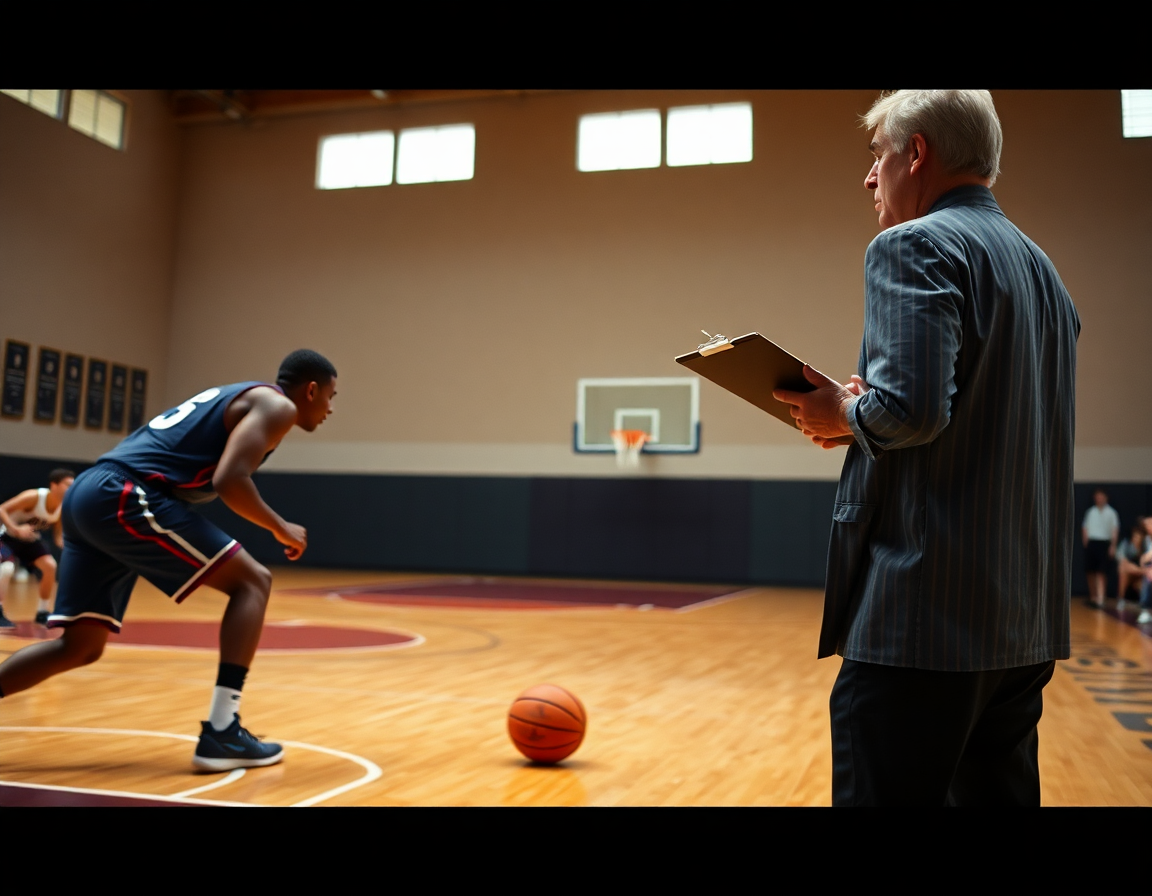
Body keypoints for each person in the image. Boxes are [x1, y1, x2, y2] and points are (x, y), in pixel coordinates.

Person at [773, 90, 1079, 806]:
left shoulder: (914, 244)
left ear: (918, 154)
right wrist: (864, 404)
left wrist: (841, 410)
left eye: (879, 155)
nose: (870, 177)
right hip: (1022, 625)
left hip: (925, 622)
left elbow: (910, 413)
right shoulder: (1045, 275)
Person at [0, 349, 337, 772]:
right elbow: (230, 479)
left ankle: (223, 732)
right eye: (330, 396)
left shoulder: (243, 397)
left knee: (79, 647)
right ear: (310, 390)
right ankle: (222, 731)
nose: (330, 408)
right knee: (253, 581)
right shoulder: (278, 405)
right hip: (123, 494)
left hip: (93, 492)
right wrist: (280, 526)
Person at [0, 469, 75, 629]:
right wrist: (15, 528)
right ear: (53, 485)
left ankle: (43, 612)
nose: (71, 488)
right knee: (6, 569)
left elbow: (58, 536)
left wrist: (71, 548)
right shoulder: (34, 496)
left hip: (28, 540)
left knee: (50, 566)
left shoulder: (63, 506)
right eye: (67, 485)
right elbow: (1, 508)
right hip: (6, 535)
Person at [1082, 489, 1120, 608]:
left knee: (1101, 572)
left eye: (1101, 496)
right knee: (1090, 571)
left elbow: (1115, 530)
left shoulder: (1112, 513)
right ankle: (1093, 596)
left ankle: (1101, 598)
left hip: (1104, 543)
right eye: (1097, 497)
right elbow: (1085, 527)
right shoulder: (1091, 512)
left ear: (1106, 498)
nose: (1099, 499)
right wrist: (1086, 541)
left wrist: (1113, 546)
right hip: (1092, 543)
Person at [1115, 518, 1151, 607]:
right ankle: (1121, 599)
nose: (1137, 539)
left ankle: (1145, 604)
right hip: (1135, 573)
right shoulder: (1125, 545)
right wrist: (1141, 570)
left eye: (1139, 536)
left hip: (1144, 576)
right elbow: (1123, 564)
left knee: (1143, 582)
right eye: (1135, 536)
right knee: (1123, 570)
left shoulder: (1147, 544)